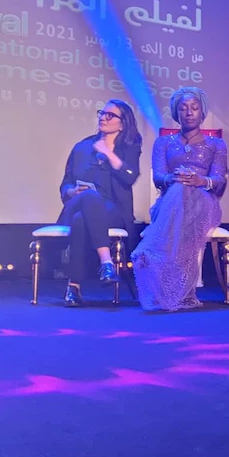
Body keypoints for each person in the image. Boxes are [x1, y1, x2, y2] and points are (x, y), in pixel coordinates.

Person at [131, 88, 227, 311]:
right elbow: (158, 178)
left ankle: (151, 250)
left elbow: (218, 180)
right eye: (183, 108)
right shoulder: (163, 143)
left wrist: (199, 180)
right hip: (169, 203)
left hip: (204, 202)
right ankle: (180, 292)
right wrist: (173, 178)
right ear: (176, 113)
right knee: (178, 190)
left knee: (184, 192)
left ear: (202, 113)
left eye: (194, 108)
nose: (189, 113)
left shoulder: (216, 144)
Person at [57, 99, 142, 307]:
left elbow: (130, 177)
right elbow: (65, 184)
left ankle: (73, 287)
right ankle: (106, 262)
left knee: (80, 221)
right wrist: (72, 191)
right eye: (102, 113)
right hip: (78, 202)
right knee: (89, 197)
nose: (103, 118)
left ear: (122, 124)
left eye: (110, 115)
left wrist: (109, 154)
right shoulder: (82, 147)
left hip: (112, 210)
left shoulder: (129, 148)